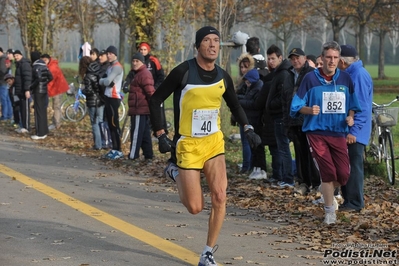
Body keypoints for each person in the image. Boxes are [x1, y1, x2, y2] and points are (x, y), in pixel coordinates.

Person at [148, 26, 261, 266]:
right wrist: (161, 134)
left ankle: (208, 252)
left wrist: (248, 127)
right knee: (195, 207)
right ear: (198, 46)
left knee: (220, 195)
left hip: (213, 143)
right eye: (207, 40)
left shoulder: (222, 75)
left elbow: (234, 105)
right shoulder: (183, 72)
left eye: (216, 40)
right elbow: (156, 98)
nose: (212, 45)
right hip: (188, 144)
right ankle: (174, 170)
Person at [290, 41, 361, 224]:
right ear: (322, 58)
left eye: (335, 57)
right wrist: (309, 110)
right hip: (316, 132)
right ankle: (330, 212)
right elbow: (295, 106)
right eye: (328, 57)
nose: (332, 61)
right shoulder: (310, 79)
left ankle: (325, 189)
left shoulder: (346, 79)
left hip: (338, 133)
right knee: (328, 172)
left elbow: (353, 105)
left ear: (339, 59)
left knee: (344, 175)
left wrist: (350, 117)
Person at [338, 44, 373, 212]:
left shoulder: (357, 75)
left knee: (353, 166)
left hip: (355, 132)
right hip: (351, 130)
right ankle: (349, 200)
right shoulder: (353, 73)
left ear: (343, 62)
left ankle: (355, 202)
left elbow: (362, 107)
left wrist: (354, 131)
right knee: (348, 164)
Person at [283, 48, 319, 194]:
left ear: (304, 58)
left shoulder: (311, 74)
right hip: (293, 120)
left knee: (312, 154)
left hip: (308, 119)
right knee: (300, 154)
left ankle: (316, 183)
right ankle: (303, 182)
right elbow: (285, 99)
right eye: (292, 58)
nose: (295, 61)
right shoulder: (288, 75)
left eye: (298, 58)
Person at [265, 44, 295, 188]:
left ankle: (288, 178)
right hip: (277, 115)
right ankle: (283, 176)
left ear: (280, 58)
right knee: (280, 148)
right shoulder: (279, 72)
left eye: (273, 58)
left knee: (283, 148)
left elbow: (284, 96)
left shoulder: (283, 74)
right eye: (269, 58)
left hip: (281, 116)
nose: (270, 61)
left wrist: (271, 104)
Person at [127, 53, 155, 161]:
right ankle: (148, 155)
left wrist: (154, 105)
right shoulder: (138, 73)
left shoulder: (144, 74)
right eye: (133, 61)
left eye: (137, 61)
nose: (134, 63)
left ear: (142, 62)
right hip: (139, 109)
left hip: (140, 109)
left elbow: (150, 91)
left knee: (136, 134)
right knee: (144, 134)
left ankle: (133, 156)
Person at [238, 68, 265, 180]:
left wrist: (239, 101)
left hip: (255, 120)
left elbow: (253, 103)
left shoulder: (258, 88)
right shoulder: (251, 88)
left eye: (248, 81)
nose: (246, 83)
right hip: (250, 119)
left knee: (257, 146)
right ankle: (254, 167)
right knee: (252, 146)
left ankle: (259, 168)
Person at [99, 45, 124, 159]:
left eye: (110, 53)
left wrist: (101, 80)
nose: (108, 55)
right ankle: (113, 148)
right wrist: (105, 81)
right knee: (109, 124)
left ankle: (118, 150)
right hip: (108, 97)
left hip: (114, 98)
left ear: (115, 54)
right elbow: (107, 82)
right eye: (107, 53)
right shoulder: (110, 67)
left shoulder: (117, 67)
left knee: (114, 124)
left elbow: (108, 81)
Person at [78, 56, 105, 150]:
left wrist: (83, 91)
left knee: (94, 123)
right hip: (101, 100)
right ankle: (104, 142)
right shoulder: (99, 70)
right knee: (101, 122)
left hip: (92, 101)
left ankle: (97, 145)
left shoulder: (88, 75)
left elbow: (89, 90)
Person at [234, 53, 255, 174]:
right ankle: (247, 165)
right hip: (243, 115)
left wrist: (238, 98)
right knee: (245, 142)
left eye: (246, 67)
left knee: (247, 142)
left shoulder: (249, 82)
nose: (243, 69)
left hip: (249, 115)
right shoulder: (242, 81)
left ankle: (247, 166)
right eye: (242, 67)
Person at [40, 54, 70, 130]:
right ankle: (55, 122)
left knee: (56, 106)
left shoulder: (52, 67)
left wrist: (45, 92)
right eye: (42, 61)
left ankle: (57, 124)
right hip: (56, 88)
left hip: (58, 89)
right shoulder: (49, 66)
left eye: (45, 61)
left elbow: (50, 82)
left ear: (48, 59)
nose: (44, 62)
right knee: (55, 106)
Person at [30, 51, 53, 140]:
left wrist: (32, 86)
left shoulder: (35, 66)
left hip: (38, 92)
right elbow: (50, 77)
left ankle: (40, 133)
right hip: (44, 91)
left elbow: (38, 78)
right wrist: (44, 83)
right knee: (43, 111)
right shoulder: (44, 66)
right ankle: (44, 131)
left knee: (38, 112)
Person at [13, 50, 32, 133]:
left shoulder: (25, 64)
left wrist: (27, 89)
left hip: (24, 90)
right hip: (20, 90)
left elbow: (27, 78)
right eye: (14, 56)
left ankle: (27, 127)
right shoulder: (18, 64)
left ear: (21, 55)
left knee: (25, 109)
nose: (16, 57)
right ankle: (23, 125)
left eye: (17, 55)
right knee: (22, 109)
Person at [0, 47, 13, 121]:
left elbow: (2, 71)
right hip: (4, 81)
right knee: (7, 99)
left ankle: (4, 116)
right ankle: (9, 115)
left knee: (4, 99)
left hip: (2, 82)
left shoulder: (2, 59)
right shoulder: (5, 58)